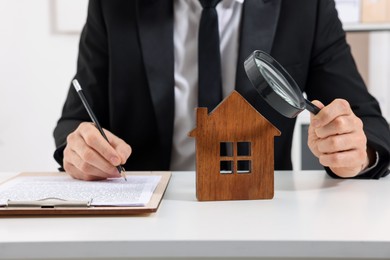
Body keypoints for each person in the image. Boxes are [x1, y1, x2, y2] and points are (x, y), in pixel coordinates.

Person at [53, 0, 390, 181]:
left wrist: (356, 152)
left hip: (261, 209)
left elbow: (370, 124)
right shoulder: (115, 5)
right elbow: (75, 120)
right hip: (148, 208)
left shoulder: (304, 6)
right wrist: (80, 148)